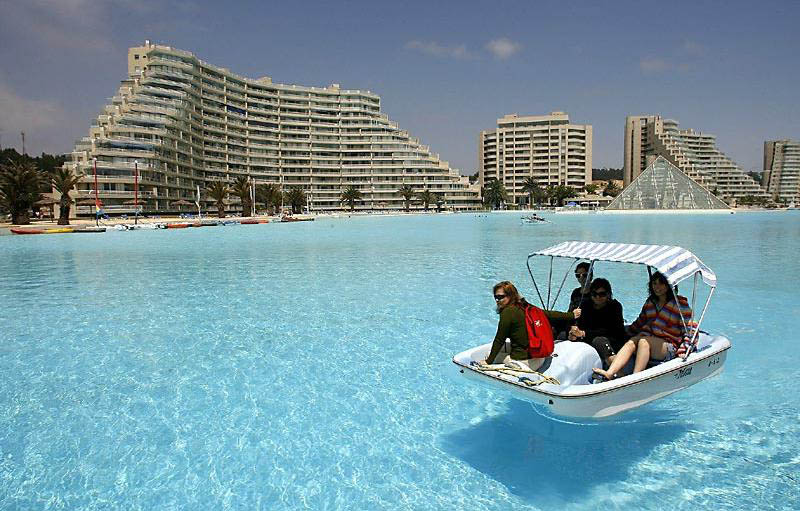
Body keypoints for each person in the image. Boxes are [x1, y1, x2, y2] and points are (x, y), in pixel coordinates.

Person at [593, 272, 694, 380]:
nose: (657, 287)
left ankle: (635, 378)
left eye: (661, 283)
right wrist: (623, 334)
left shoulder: (680, 304)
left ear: (668, 285)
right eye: (654, 283)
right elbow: (640, 322)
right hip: (648, 339)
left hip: (668, 345)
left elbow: (690, 330)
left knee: (643, 341)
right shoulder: (650, 302)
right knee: (633, 341)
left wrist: (684, 350)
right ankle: (610, 372)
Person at [481, 281, 579, 371]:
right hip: (540, 357)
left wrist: (488, 362)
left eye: (501, 297)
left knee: (488, 354)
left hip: (525, 363)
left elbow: (499, 339)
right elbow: (549, 314)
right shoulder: (525, 306)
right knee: (504, 348)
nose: (498, 300)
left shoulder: (507, 312)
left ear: (510, 296)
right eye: (496, 297)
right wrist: (571, 315)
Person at [568, 278, 625, 367]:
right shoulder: (585, 305)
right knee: (564, 335)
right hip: (588, 336)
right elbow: (580, 324)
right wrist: (573, 332)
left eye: (602, 294)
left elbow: (611, 330)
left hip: (611, 338)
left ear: (608, 294)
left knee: (599, 341)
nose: (598, 297)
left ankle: (618, 372)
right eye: (594, 294)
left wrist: (583, 333)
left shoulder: (615, 306)